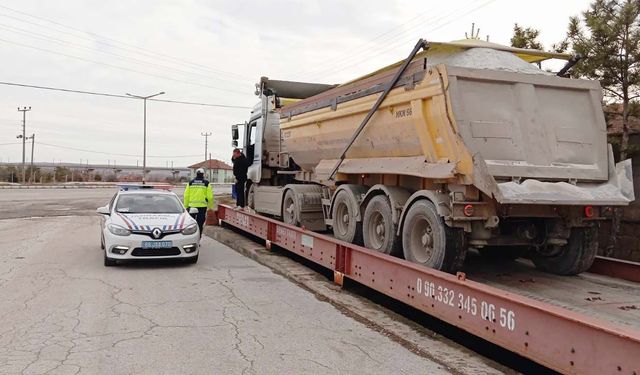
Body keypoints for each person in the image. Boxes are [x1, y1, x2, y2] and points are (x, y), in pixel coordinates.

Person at [183, 168, 214, 236]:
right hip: (202, 207)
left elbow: (186, 195)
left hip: (192, 206)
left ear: (196, 174)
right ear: (203, 174)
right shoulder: (206, 183)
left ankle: (191, 238)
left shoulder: (190, 183)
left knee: (191, 224)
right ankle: (198, 238)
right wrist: (210, 207)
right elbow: (210, 197)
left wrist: (186, 206)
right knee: (200, 223)